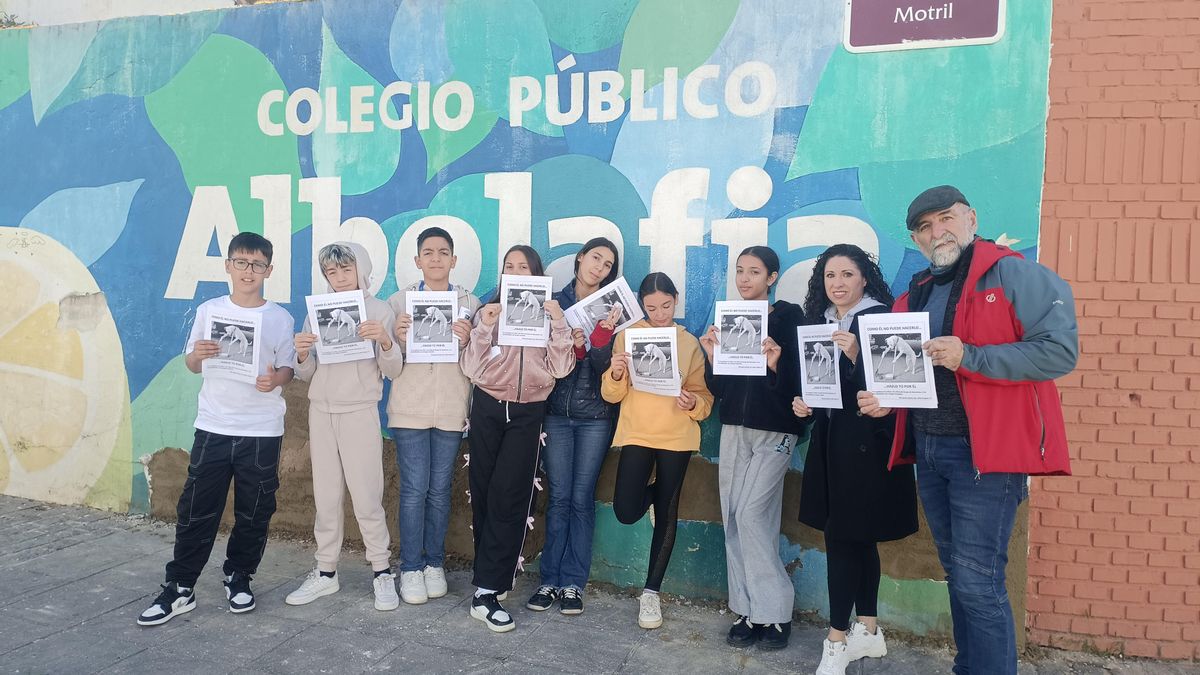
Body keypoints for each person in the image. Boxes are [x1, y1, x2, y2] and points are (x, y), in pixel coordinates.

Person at [858, 186, 1078, 675]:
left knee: (978, 581)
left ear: (971, 218)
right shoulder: (915, 292)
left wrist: (971, 357)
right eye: (925, 227)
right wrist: (886, 399)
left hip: (987, 457)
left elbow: (1060, 352)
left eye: (946, 219)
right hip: (932, 453)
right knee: (960, 575)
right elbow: (912, 374)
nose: (938, 232)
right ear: (916, 239)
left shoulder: (1015, 273)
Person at [137, 232, 296, 626]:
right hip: (213, 425)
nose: (248, 271)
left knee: (255, 511)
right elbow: (192, 364)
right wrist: (198, 355)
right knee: (196, 509)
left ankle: (239, 575)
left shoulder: (279, 318)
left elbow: (289, 369)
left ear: (269, 271)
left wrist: (275, 379)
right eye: (241, 262)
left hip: (262, 430)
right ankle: (180, 587)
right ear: (227, 266)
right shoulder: (210, 310)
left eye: (257, 264)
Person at [793, 244, 918, 674]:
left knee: (844, 538)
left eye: (847, 275)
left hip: (867, 446)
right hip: (831, 442)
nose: (838, 284)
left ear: (864, 278)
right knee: (856, 537)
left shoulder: (881, 319)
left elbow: (898, 385)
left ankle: (836, 638)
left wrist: (855, 354)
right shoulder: (821, 322)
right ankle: (869, 629)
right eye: (830, 276)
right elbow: (822, 386)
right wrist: (805, 403)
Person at [459, 245, 575, 632]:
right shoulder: (488, 311)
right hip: (489, 407)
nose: (516, 271)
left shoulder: (549, 314)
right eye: (509, 265)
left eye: (523, 266)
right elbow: (471, 368)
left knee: (511, 496)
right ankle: (489, 583)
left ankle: (487, 592)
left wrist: (558, 323)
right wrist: (484, 327)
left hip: (528, 413)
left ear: (536, 273)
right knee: (485, 494)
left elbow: (559, 368)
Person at [698, 246, 807, 651]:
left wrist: (777, 365)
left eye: (755, 272)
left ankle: (776, 612)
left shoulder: (788, 317)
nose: (745, 279)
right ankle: (747, 609)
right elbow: (724, 389)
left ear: (772, 277)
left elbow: (803, 380)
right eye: (740, 271)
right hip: (734, 429)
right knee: (732, 515)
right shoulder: (730, 319)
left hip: (776, 429)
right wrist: (713, 358)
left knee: (752, 514)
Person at [285, 242, 404, 611]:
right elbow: (306, 373)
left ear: (362, 270)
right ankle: (325, 572)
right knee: (326, 495)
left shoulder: (380, 311)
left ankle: (382, 571)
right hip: (321, 410)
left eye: (345, 270)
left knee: (367, 494)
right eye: (331, 272)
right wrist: (302, 353)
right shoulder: (317, 311)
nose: (338, 278)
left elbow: (394, 369)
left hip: (360, 410)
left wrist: (385, 341)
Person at [601, 273, 714, 630]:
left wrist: (693, 401)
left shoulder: (689, 343)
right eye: (651, 307)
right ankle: (654, 498)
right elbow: (611, 396)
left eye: (666, 305)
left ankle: (651, 593)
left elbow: (705, 400)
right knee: (624, 509)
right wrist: (617, 373)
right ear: (642, 306)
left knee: (669, 511)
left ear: (676, 301)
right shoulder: (627, 337)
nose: (660, 313)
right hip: (637, 432)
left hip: (677, 436)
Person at [386, 227, 480, 605]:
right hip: (409, 408)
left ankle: (433, 564)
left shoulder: (469, 303)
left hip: (452, 409)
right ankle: (410, 567)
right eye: (429, 252)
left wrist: (469, 337)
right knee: (413, 490)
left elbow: (477, 365)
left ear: (454, 260)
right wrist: (396, 337)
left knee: (440, 490)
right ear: (417, 260)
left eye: (444, 252)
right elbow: (389, 365)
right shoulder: (398, 302)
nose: (436, 258)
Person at [527, 238, 621, 616]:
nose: (599, 267)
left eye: (607, 264)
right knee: (560, 497)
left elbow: (605, 370)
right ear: (580, 259)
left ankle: (572, 584)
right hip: (555, 413)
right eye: (595, 258)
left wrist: (598, 339)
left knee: (582, 499)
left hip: (595, 417)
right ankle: (549, 579)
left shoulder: (613, 310)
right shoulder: (553, 301)